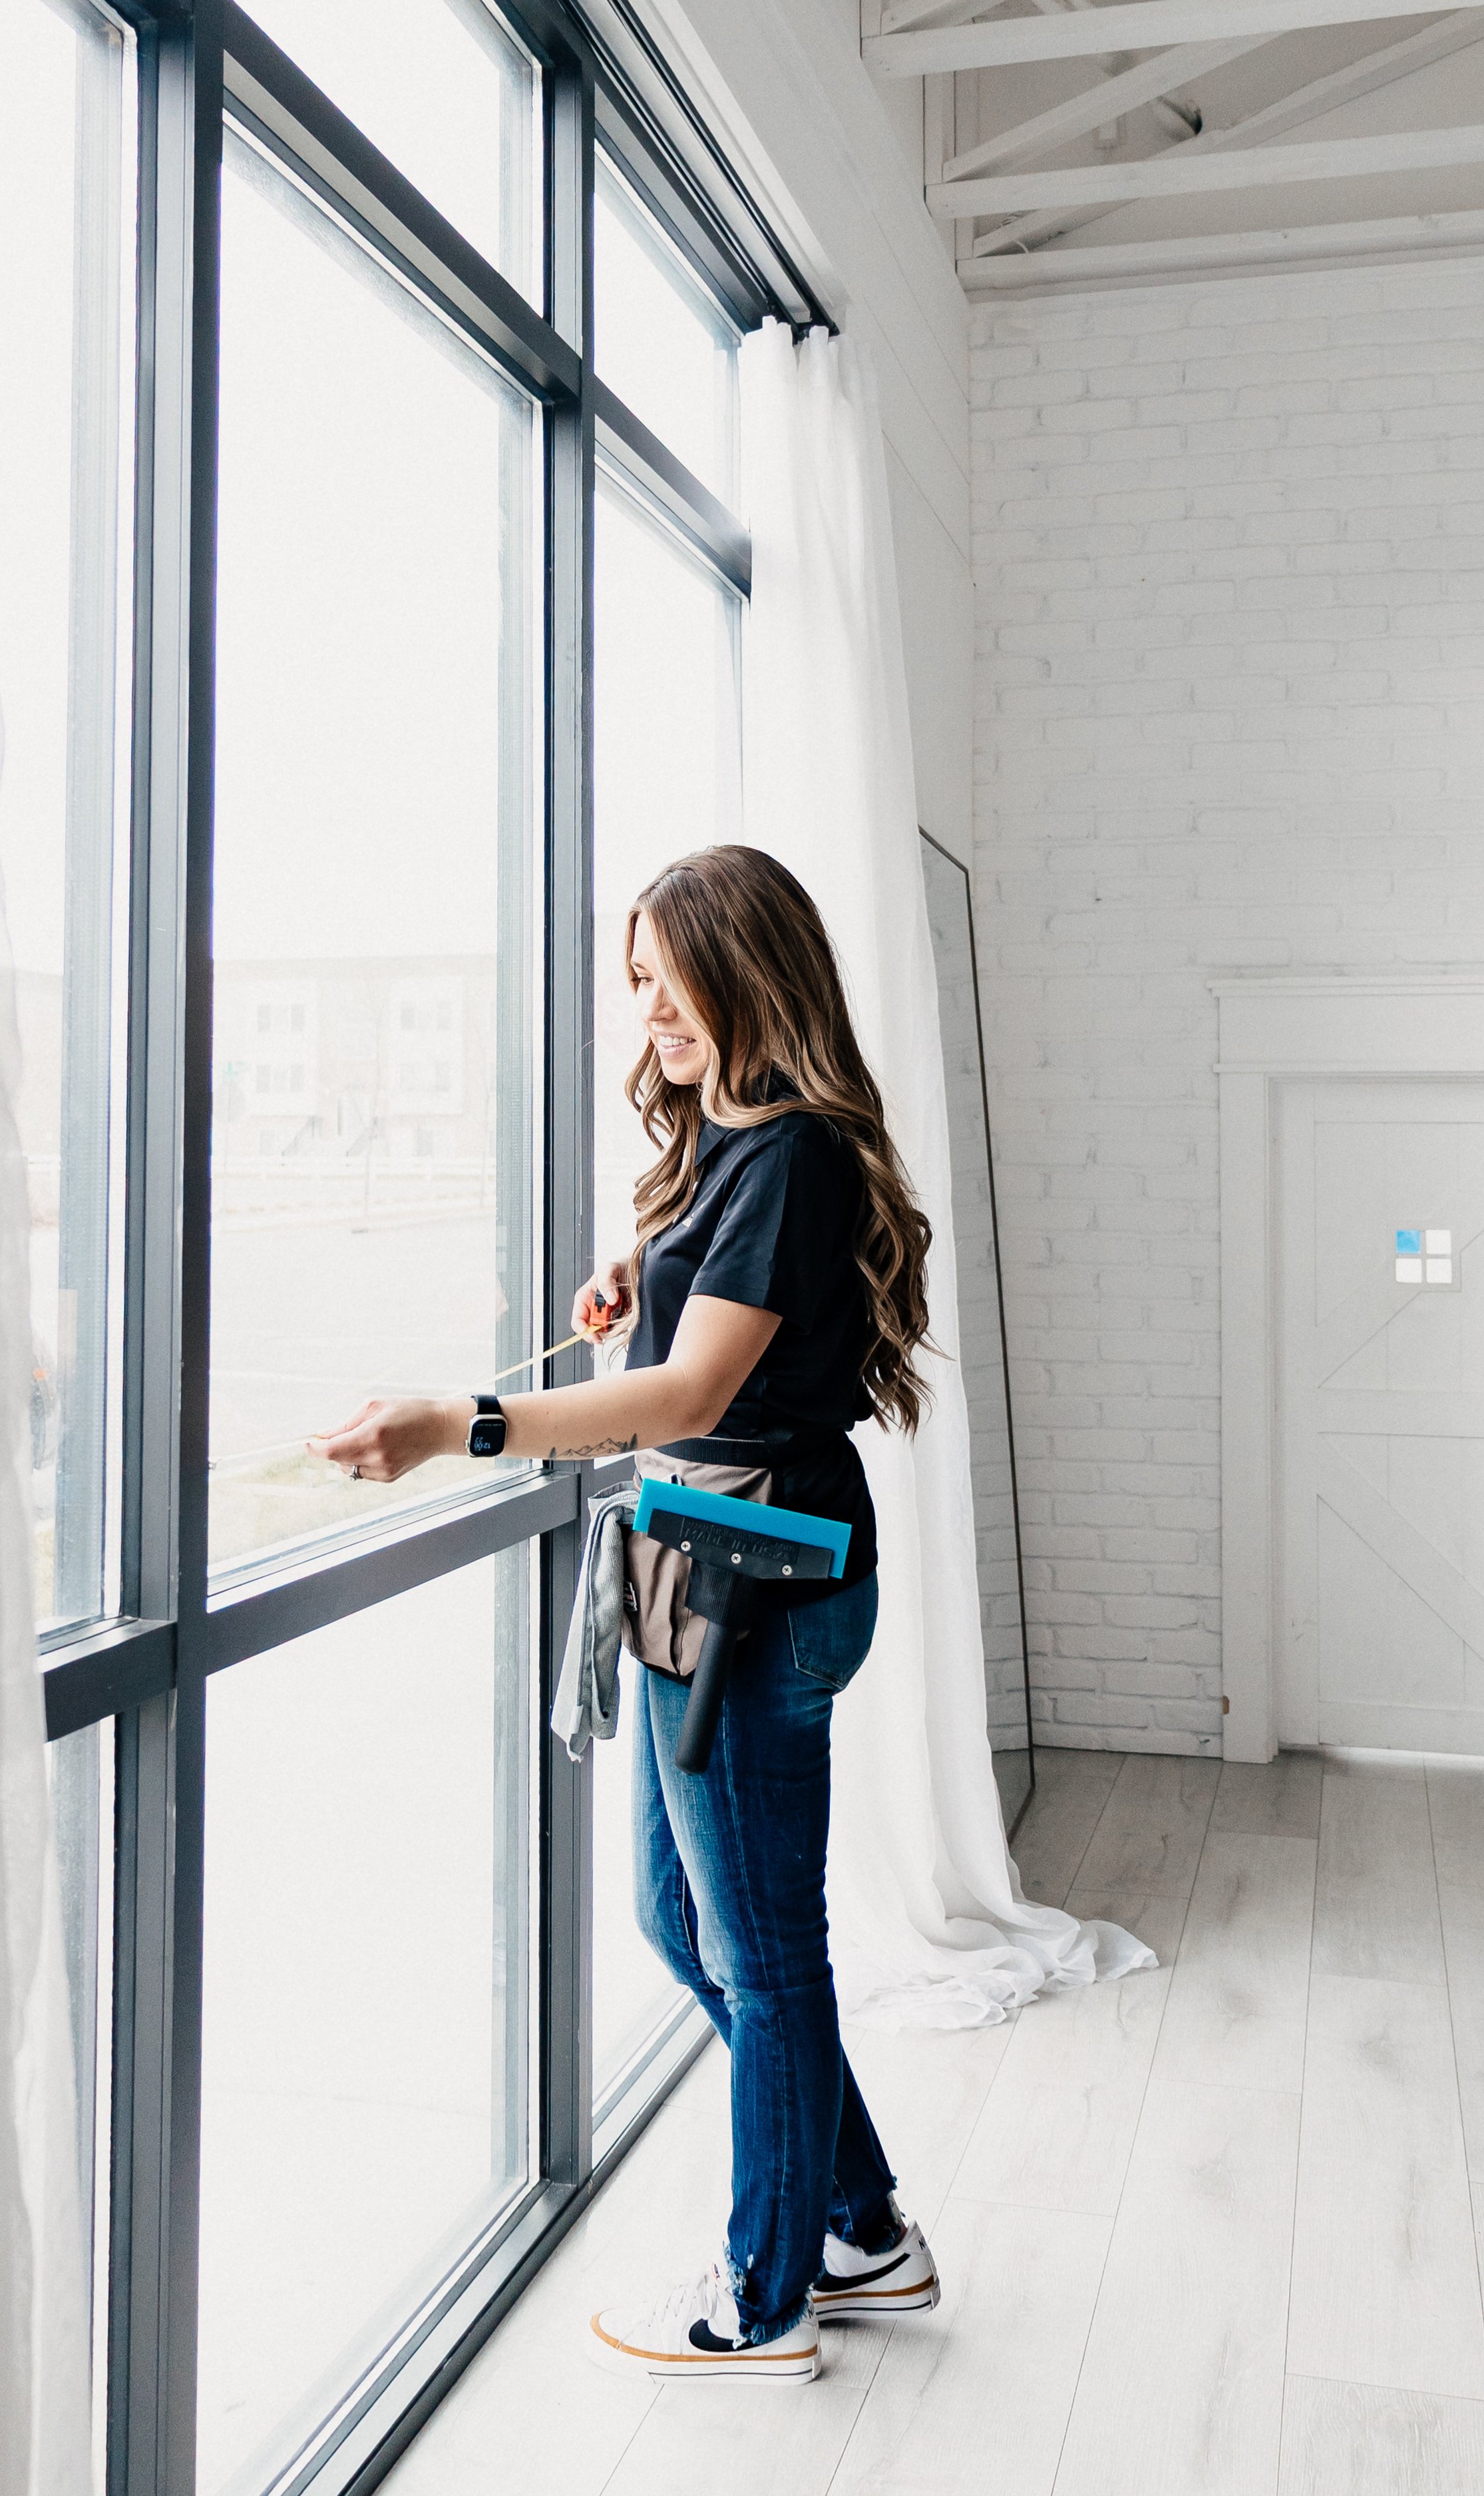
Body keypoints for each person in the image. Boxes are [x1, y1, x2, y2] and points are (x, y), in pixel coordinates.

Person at [309, 844, 942, 2386]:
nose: (645, 1005)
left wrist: (459, 1423)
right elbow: (708, 1322)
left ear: (743, 967)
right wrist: (640, 1276)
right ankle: (857, 2225)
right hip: (704, 1564)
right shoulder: (732, 1145)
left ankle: (765, 2296)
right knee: (690, 1922)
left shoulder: (787, 1151)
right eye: (637, 981)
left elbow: (693, 1395)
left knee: (765, 1951)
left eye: (664, 974)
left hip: (756, 1575)